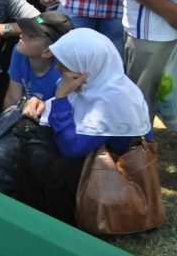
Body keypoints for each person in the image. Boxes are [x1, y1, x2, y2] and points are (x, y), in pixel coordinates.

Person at [15, 28, 152, 225]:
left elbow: (71, 148)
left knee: (45, 161)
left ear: (87, 64)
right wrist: (43, 103)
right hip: (88, 149)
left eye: (66, 63)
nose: (58, 68)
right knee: (32, 142)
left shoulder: (114, 99)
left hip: (107, 166)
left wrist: (61, 98)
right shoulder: (97, 81)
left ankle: (52, 219)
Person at [1, 12, 74, 110]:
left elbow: (61, 114)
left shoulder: (62, 75)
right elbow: (12, 99)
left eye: (31, 36)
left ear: (48, 51)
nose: (22, 35)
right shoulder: (20, 52)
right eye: (25, 29)